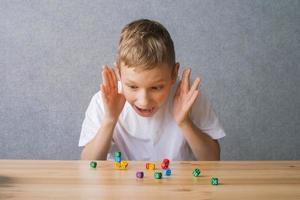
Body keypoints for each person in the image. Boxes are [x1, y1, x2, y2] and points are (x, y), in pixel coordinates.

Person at [79, 19, 225, 161]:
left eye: (156, 87)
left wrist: (184, 122)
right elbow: (87, 164)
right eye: (132, 87)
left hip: (179, 185)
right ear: (119, 73)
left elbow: (212, 159)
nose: (144, 101)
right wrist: (110, 119)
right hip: (120, 185)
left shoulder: (187, 96)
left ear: (174, 74)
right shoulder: (103, 101)